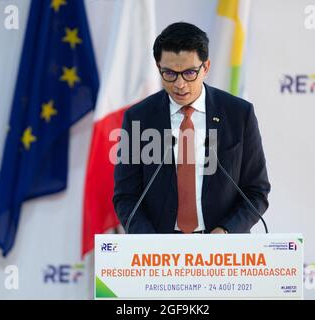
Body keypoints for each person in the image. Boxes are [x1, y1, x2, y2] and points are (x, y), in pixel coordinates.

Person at [113, 22, 270, 234]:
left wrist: (226, 231)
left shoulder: (238, 114)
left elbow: (256, 191)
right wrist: (149, 242)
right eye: (169, 73)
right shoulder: (138, 118)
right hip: (159, 251)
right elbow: (126, 196)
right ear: (158, 68)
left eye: (189, 73)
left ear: (206, 67)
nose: (179, 84)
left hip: (221, 250)